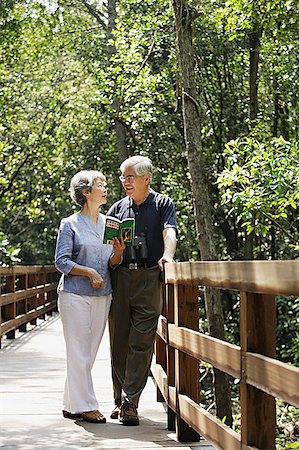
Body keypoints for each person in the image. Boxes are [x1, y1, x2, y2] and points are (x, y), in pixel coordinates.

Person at [108, 155, 177, 426]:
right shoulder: (116, 209)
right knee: (119, 343)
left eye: (130, 177)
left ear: (146, 179)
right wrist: (117, 253)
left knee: (142, 341)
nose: (125, 182)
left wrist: (168, 255)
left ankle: (130, 401)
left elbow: (169, 231)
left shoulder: (162, 204)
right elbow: (110, 258)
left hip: (150, 276)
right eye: (122, 177)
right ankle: (118, 398)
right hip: (121, 277)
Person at [55, 170, 125, 424]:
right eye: (100, 184)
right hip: (74, 294)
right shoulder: (69, 223)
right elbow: (61, 261)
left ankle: (70, 403)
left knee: (88, 353)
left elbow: (112, 263)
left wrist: (118, 253)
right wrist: (87, 272)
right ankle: (87, 406)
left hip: (102, 295)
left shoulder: (110, 223)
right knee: (78, 352)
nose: (105, 188)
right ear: (86, 192)